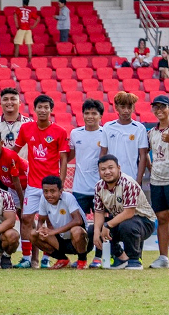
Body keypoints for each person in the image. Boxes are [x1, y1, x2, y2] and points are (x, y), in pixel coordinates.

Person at [13, 94, 68, 268]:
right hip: (33, 184)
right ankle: (26, 258)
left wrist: (61, 183)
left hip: (51, 186)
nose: (43, 110)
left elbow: (64, 159)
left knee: (50, 221)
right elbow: (14, 150)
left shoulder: (60, 131)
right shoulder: (26, 129)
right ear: (34, 109)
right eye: (40, 107)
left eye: (46, 107)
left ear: (51, 110)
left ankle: (46, 258)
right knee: (26, 218)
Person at [93, 155, 156, 269]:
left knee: (127, 225)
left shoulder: (128, 183)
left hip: (144, 221)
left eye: (110, 168)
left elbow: (129, 213)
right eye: (103, 169)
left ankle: (134, 260)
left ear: (118, 168)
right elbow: (99, 211)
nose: (107, 172)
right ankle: (121, 258)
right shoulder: (99, 186)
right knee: (92, 229)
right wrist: (97, 232)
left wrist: (107, 225)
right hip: (121, 221)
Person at [144, 95, 169, 269]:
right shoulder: (151, 133)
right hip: (156, 181)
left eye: (162, 106)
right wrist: (150, 167)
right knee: (161, 218)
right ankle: (163, 257)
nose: (159, 110)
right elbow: (144, 152)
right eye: (156, 107)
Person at [67, 98, 108, 267]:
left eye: (94, 113)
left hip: (100, 189)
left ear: (100, 116)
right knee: (79, 226)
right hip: (79, 188)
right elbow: (68, 155)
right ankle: (82, 258)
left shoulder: (105, 133)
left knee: (102, 224)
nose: (90, 116)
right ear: (82, 115)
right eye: (87, 113)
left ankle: (99, 257)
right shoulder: (75, 133)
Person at [32, 175, 89, 269]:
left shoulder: (68, 197)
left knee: (76, 230)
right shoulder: (43, 199)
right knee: (33, 234)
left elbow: (78, 220)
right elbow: (40, 221)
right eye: (45, 191)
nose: (49, 195)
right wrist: (41, 230)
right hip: (60, 238)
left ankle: (82, 261)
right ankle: (62, 259)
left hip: (80, 240)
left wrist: (54, 231)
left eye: (52, 191)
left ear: (60, 191)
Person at [102, 91, 147, 182]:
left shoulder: (139, 128)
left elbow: (143, 156)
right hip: (112, 179)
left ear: (133, 108)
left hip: (132, 178)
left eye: (129, 107)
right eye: (123, 107)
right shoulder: (108, 127)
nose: (126, 111)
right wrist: (103, 177)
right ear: (116, 107)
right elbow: (103, 153)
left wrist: (138, 180)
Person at [0, 87, 29, 153]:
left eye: (13, 99)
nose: (9, 102)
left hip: (23, 160)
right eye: (5, 99)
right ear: (0, 103)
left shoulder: (29, 124)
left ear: (20, 103)